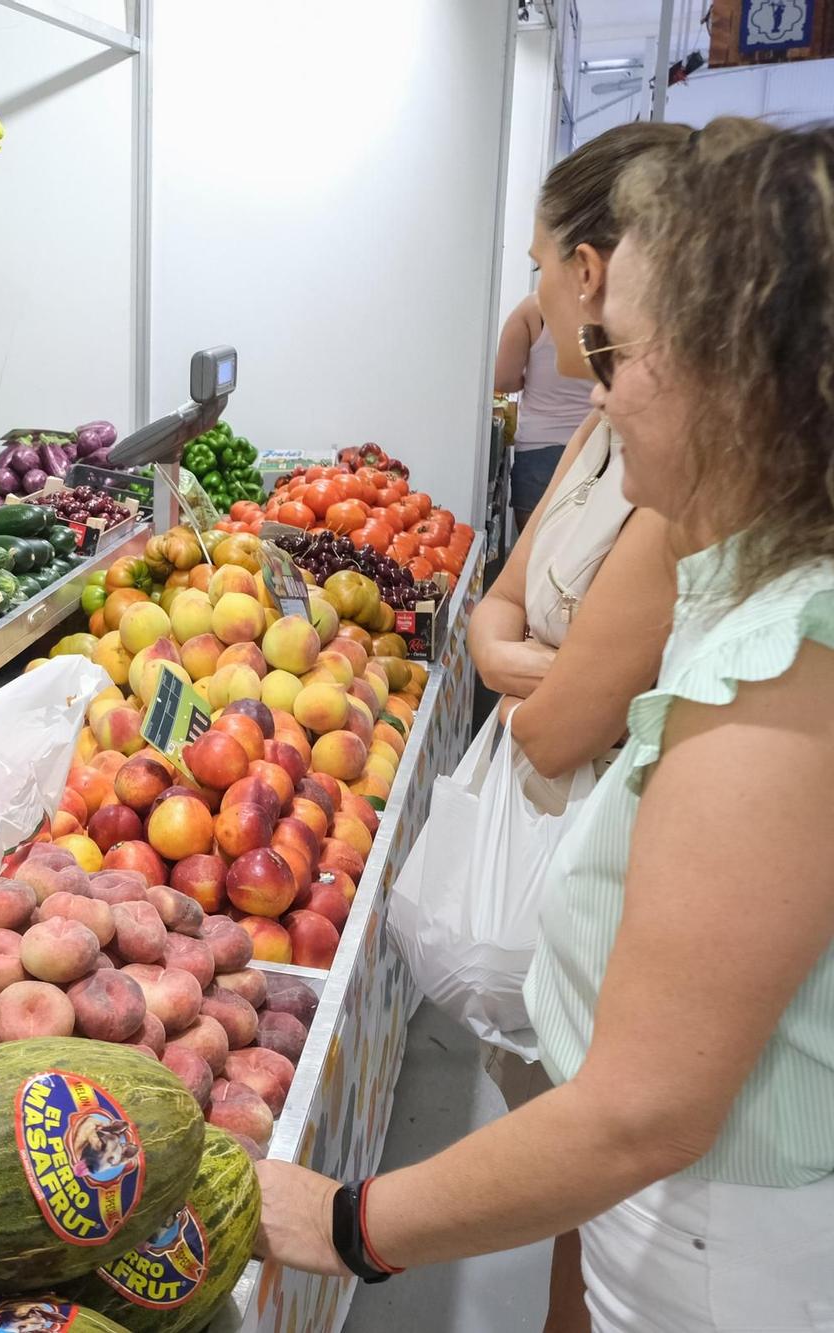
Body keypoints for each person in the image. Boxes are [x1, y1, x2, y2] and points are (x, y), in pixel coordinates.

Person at [255, 119, 834, 1333]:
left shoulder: (791, 663)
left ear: (732, 369)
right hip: (674, 1210)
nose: (598, 387)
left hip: (715, 1243)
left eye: (616, 351)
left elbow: (640, 1109)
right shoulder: (753, 583)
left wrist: (346, 1222)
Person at [462, 122, 690, 1332]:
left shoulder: (675, 476)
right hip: (557, 873)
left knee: (595, 1186)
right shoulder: (606, 428)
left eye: (538, 261)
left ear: (589, 272)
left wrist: (358, 1228)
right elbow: (495, 604)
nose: (534, 290)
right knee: (571, 1174)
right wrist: (530, 661)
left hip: (600, 870)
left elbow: (555, 734)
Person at [494, 291, 596, 531]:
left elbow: (503, 379)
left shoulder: (532, 309)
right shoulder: (610, 307)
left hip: (538, 448)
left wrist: (528, 380)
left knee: (532, 557)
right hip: (594, 447)